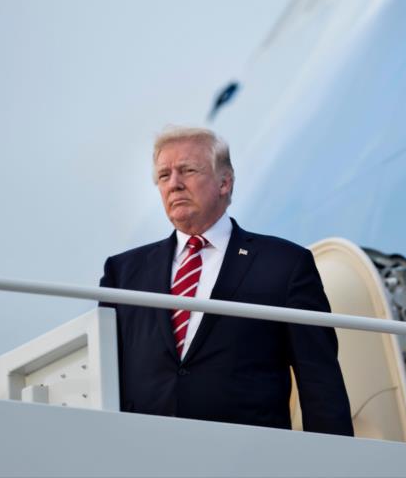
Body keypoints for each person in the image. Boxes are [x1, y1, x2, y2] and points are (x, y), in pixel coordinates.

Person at [99, 126, 353, 436]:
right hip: (145, 449)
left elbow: (319, 380)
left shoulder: (285, 264)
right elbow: (104, 377)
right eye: (164, 176)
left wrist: (334, 457)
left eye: (187, 170)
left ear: (224, 182)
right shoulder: (123, 273)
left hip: (249, 451)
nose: (174, 184)